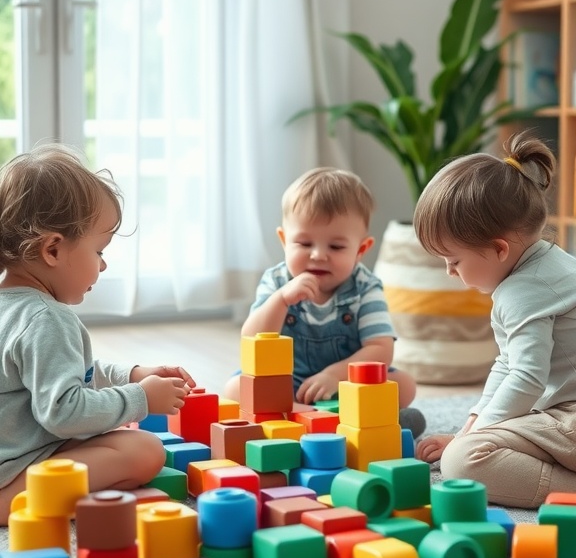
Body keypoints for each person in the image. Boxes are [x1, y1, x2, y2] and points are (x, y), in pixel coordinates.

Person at [0, 144, 196, 525]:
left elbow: (68, 370)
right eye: (99, 251)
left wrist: (131, 374)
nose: (104, 265)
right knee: (144, 451)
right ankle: (13, 503)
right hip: (14, 465)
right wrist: (140, 398)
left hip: (14, 446)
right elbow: (64, 412)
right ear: (53, 249)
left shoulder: (10, 306)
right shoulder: (44, 318)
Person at [413, 132, 576, 509]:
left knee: (463, 462)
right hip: (563, 414)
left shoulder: (522, 291)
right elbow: (508, 363)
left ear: (499, 249)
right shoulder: (548, 261)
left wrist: (468, 441)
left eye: (454, 261)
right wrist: (471, 424)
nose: (450, 272)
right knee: (473, 440)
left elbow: (527, 377)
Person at [223, 167, 425, 436]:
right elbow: (252, 338)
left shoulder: (365, 287)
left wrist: (335, 375)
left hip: (347, 384)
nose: (318, 255)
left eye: (336, 247)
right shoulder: (277, 282)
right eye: (305, 244)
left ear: (360, 250)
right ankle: (319, 420)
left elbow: (380, 348)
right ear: (285, 241)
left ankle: (321, 420)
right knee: (234, 388)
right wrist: (281, 300)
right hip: (288, 384)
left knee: (404, 384)